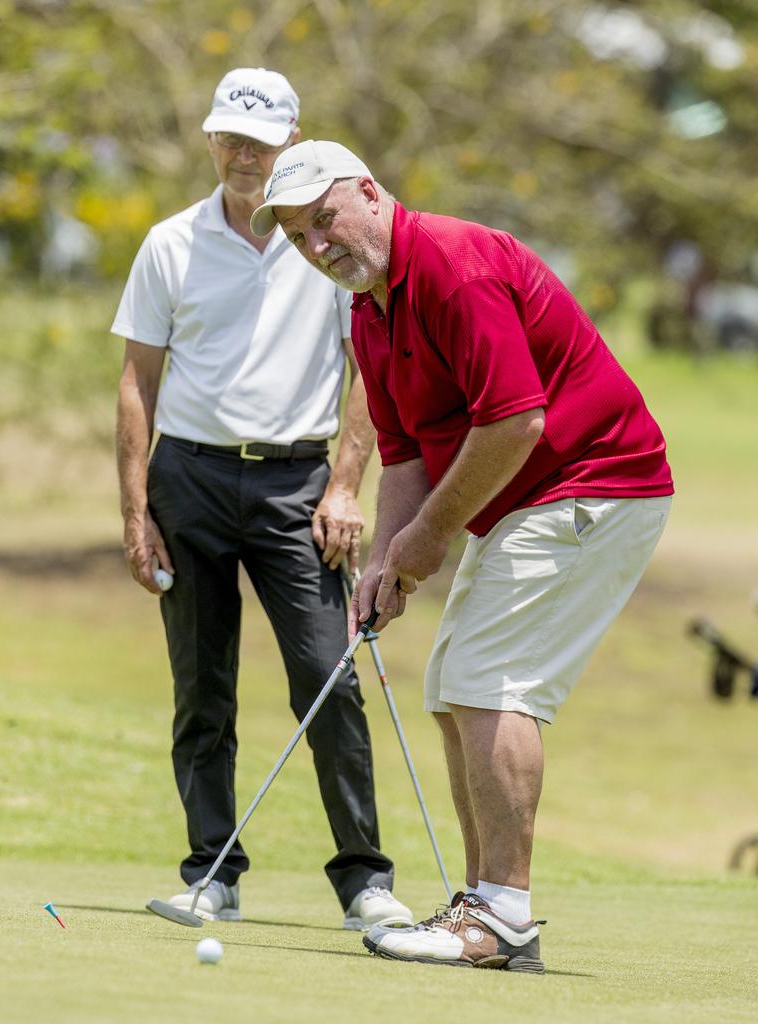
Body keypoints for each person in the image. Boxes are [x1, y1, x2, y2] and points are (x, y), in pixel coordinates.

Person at [250, 139, 675, 971]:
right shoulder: (370, 312)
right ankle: (483, 907)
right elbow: (406, 456)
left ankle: (503, 914)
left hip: (596, 481)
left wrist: (430, 539)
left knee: (491, 680)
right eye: (299, 236)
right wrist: (386, 563)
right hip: (527, 498)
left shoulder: (452, 263)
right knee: (454, 686)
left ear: (369, 193)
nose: (317, 246)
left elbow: (517, 421)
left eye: (324, 219)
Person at [112, 74, 413, 932]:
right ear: (211, 140)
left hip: (298, 488)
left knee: (329, 680)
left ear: (292, 140)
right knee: (201, 690)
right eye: (230, 139)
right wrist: (136, 515)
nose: (245, 156)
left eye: (261, 140)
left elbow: (370, 368)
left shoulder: (328, 245)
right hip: (190, 481)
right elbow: (137, 382)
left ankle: (364, 880)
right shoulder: (170, 244)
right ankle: (212, 872)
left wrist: (348, 481)